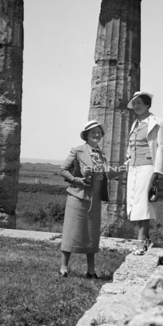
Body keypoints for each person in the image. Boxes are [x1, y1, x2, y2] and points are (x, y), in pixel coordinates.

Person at [58, 120, 109, 279]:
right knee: (71, 232)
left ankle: (91, 271)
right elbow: (63, 170)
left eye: (98, 133)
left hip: (94, 199)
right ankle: (63, 268)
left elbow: (104, 175)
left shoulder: (102, 155)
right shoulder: (77, 150)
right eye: (92, 132)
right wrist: (77, 180)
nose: (96, 135)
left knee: (92, 235)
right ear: (86, 135)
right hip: (77, 197)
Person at [126, 91, 163, 255]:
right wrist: (127, 161)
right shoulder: (135, 124)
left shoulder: (158, 122)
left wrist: (159, 172)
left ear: (147, 104)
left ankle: (140, 243)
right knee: (134, 203)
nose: (136, 106)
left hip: (148, 168)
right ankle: (147, 239)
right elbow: (130, 148)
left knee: (143, 204)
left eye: (139, 103)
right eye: (134, 103)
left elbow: (161, 147)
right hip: (134, 168)